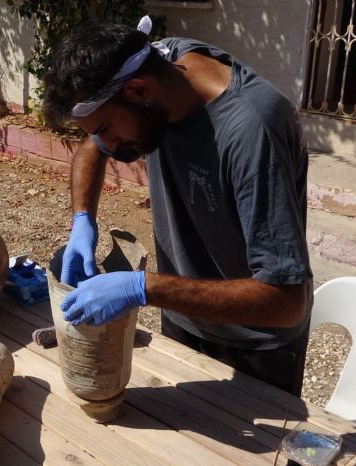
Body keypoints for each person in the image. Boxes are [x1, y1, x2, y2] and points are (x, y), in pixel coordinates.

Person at [43, 17, 312, 396]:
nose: (107, 143)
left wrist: (143, 288)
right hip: (185, 317)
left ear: (139, 92)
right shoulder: (158, 68)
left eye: (106, 128)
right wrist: (82, 218)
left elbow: (286, 302)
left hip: (255, 344)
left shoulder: (252, 131)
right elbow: (93, 147)